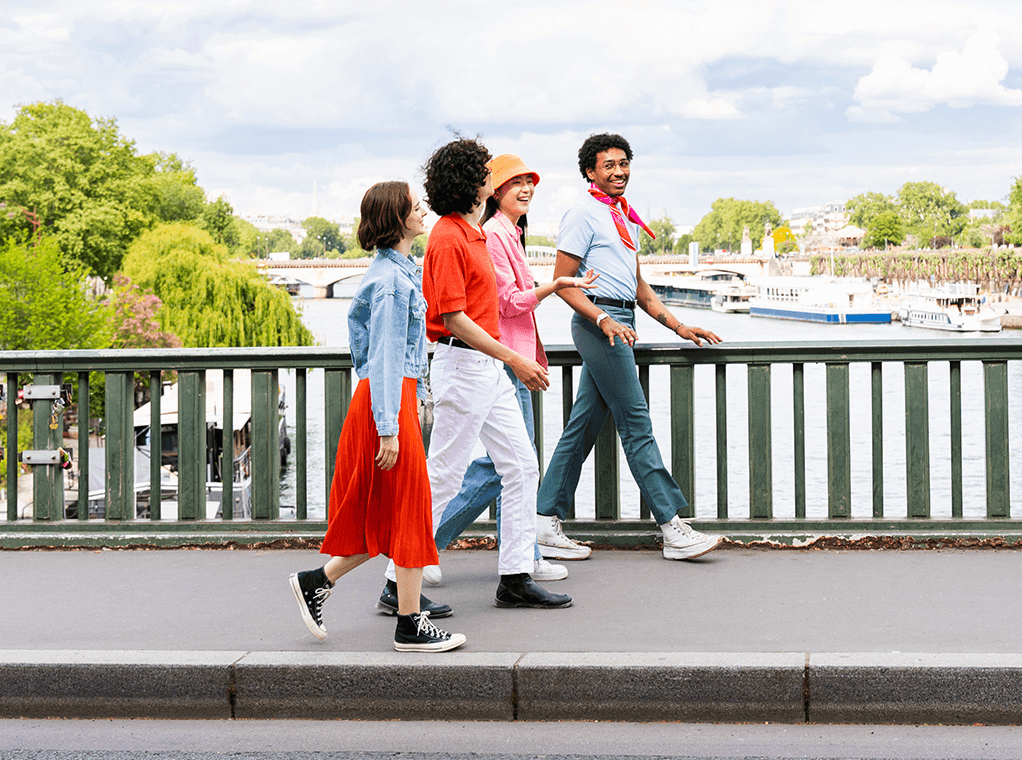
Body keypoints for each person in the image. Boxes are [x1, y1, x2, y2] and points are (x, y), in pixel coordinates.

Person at [288, 180, 465, 653]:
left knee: (395, 511)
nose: (423, 210)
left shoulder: (397, 272)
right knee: (409, 509)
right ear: (397, 217)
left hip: (390, 400)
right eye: (415, 206)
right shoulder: (390, 282)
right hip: (386, 406)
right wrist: (390, 427)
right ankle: (409, 624)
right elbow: (385, 358)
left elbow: (389, 359)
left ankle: (317, 582)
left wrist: (411, 402)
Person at [536, 133, 724, 562]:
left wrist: (679, 326)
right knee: (636, 422)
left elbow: (639, 288)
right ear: (590, 171)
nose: (619, 172)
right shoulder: (583, 214)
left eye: (624, 164)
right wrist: (603, 320)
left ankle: (544, 520)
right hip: (599, 321)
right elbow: (563, 284)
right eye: (609, 165)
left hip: (622, 320)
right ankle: (672, 528)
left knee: (583, 426)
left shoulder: (621, 217)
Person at [423, 153, 595, 585]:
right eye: (488, 174)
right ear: (472, 183)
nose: (493, 179)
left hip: (487, 364)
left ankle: (517, 576)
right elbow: (454, 317)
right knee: (444, 476)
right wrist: (515, 357)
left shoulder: (475, 233)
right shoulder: (449, 236)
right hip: (466, 363)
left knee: (520, 465)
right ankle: (398, 576)